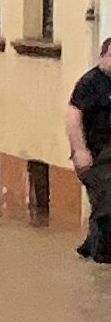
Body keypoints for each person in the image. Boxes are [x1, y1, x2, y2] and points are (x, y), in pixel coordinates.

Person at [67, 38, 111, 261]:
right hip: (96, 155)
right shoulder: (90, 83)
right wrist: (79, 151)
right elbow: (73, 116)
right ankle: (101, 259)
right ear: (102, 57)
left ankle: (90, 249)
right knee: (106, 206)